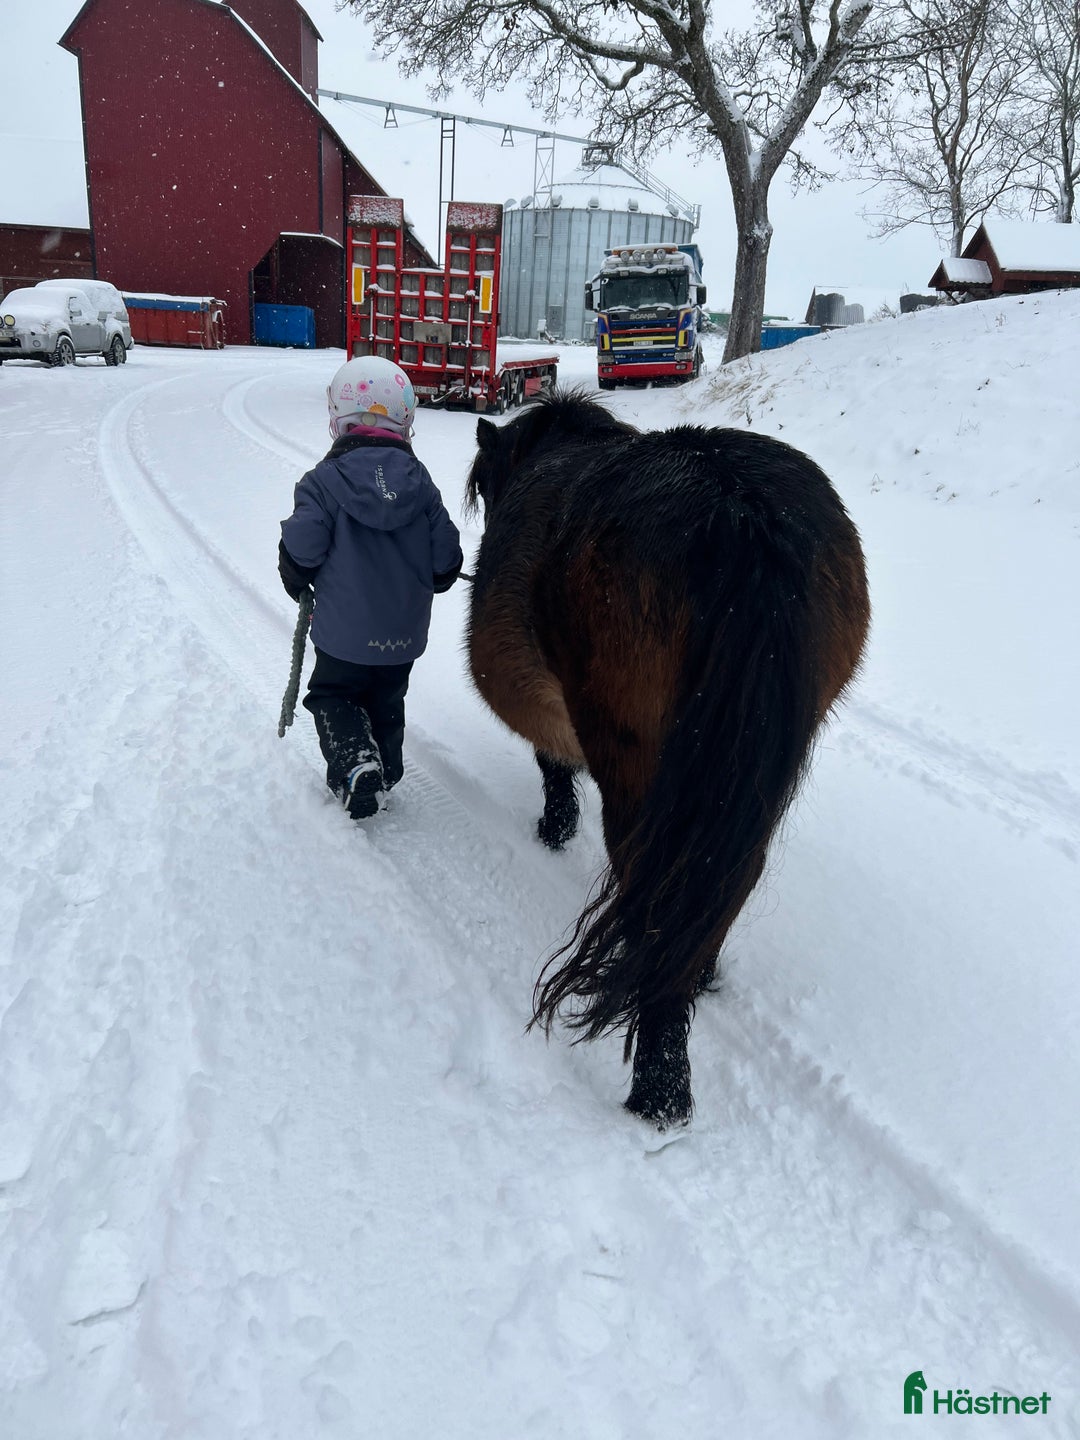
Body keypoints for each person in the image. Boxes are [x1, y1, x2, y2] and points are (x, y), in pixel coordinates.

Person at [278, 355, 463, 820]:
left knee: (333, 695)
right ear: (405, 423)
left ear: (339, 421)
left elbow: (303, 546)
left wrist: (295, 575)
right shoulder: (421, 484)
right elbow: (446, 559)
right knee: (386, 696)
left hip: (343, 634)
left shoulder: (323, 482)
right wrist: (436, 574)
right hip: (402, 637)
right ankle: (388, 767)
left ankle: (357, 763)